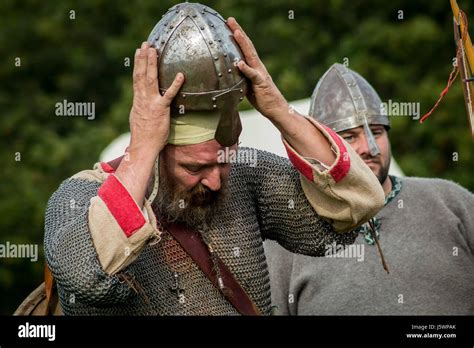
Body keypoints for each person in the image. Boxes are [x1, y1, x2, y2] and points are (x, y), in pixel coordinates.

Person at [44, 5, 384, 315]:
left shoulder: (245, 177)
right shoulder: (80, 197)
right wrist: (142, 148)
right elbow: (85, 279)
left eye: (224, 160)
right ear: (159, 148)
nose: (217, 180)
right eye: (195, 167)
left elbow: (354, 206)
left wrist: (279, 110)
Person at [265, 63, 474, 315]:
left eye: (376, 132)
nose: (370, 147)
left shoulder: (451, 202)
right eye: (350, 136)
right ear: (320, 145)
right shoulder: (288, 237)